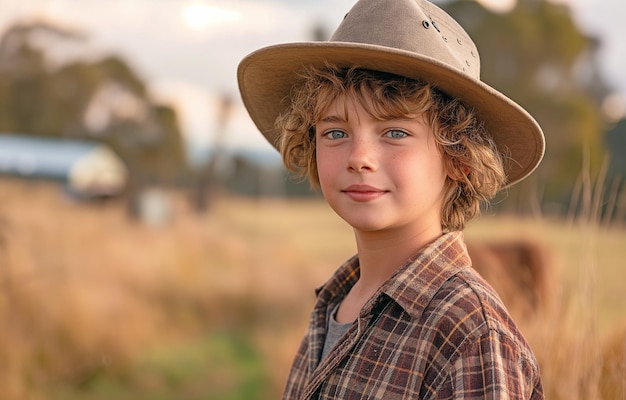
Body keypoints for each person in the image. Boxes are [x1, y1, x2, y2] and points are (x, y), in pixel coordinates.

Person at [237, 0, 545, 398]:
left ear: (459, 158)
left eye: (395, 133)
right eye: (334, 132)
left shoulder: (469, 334)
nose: (359, 158)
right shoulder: (337, 303)